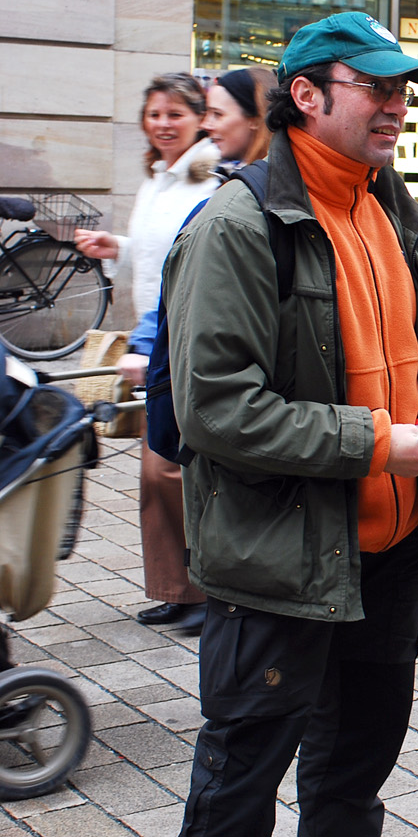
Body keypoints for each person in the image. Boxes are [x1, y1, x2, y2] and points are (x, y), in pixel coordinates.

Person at [163, 11, 418, 837]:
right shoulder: (236, 229)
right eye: (374, 88)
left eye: (401, 92)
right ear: (305, 94)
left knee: (352, 780)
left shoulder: (388, 200)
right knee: (239, 788)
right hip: (280, 559)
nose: (395, 108)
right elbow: (214, 409)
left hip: (388, 552)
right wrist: (383, 443)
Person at [74, 72, 219, 636]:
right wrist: (120, 249)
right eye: (154, 114)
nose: (162, 125)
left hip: (181, 339)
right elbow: (158, 255)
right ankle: (174, 589)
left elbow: (190, 270)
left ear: (201, 118)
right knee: (154, 469)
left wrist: (149, 341)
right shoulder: (157, 178)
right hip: (153, 337)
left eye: (175, 115)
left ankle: (204, 590)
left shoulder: (210, 182)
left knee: (173, 469)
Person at [203, 66, 277, 172]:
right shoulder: (214, 174)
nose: (205, 125)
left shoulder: (271, 182)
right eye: (206, 113)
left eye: (217, 114)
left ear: (255, 120)